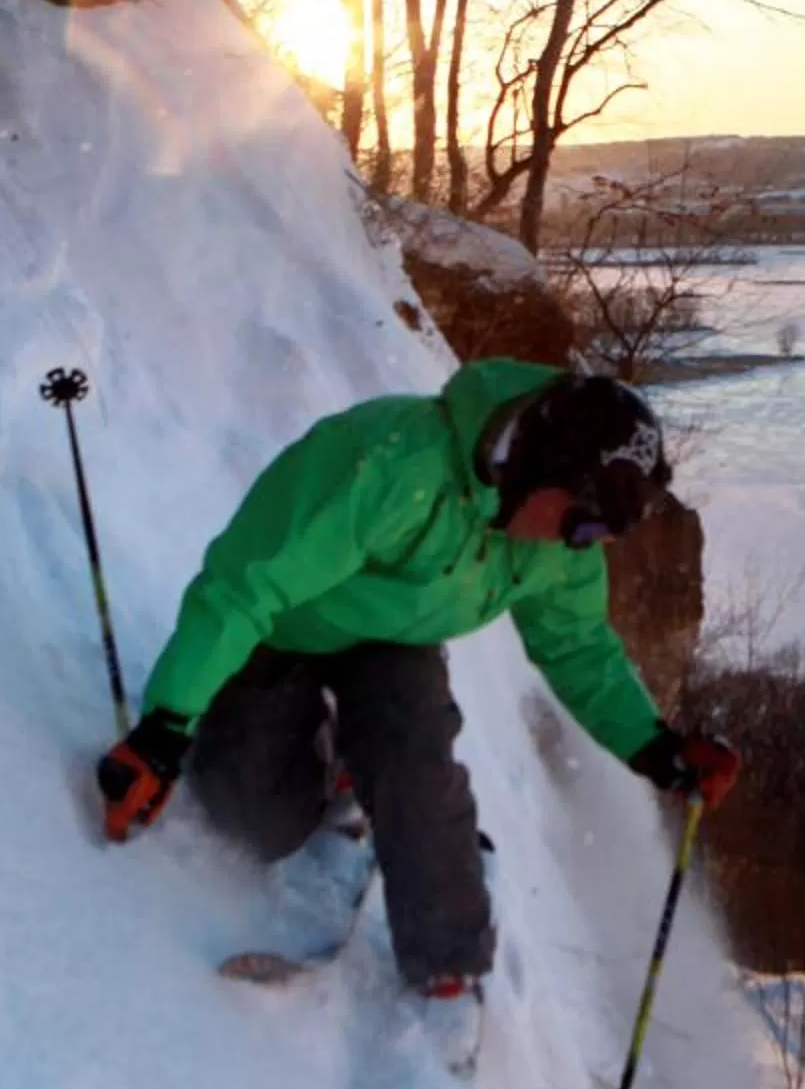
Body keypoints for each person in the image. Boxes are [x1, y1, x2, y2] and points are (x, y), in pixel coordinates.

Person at [95, 359, 740, 995]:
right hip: (283, 633)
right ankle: (329, 758)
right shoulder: (387, 464)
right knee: (249, 820)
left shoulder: (557, 542)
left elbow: (576, 646)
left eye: (602, 532)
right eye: (585, 522)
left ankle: (449, 961)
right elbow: (242, 587)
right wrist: (164, 729)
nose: (586, 543)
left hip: (393, 648)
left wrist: (655, 747)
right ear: (542, 470)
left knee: (415, 762)